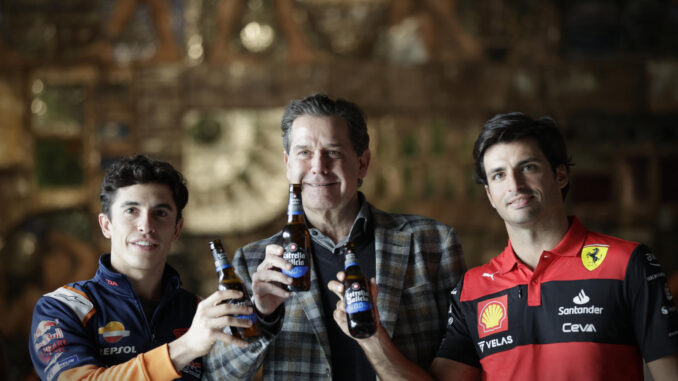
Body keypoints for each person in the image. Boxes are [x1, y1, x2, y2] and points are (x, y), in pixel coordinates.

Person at [202, 94, 466, 380]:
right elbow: (218, 374)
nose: (318, 166)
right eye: (304, 153)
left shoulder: (434, 243)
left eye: (334, 152)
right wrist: (263, 317)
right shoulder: (252, 260)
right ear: (288, 164)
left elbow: (464, 358)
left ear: (362, 163)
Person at [428, 113, 678, 380]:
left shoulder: (627, 263)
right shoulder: (471, 289)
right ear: (490, 195)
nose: (515, 185)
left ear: (560, 176)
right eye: (499, 175)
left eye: (528, 167)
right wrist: (377, 343)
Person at [28, 155, 253, 381]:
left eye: (160, 213)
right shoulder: (61, 308)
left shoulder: (199, 312)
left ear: (177, 229)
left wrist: (263, 313)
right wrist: (186, 347)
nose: (146, 225)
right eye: (131, 211)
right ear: (106, 225)